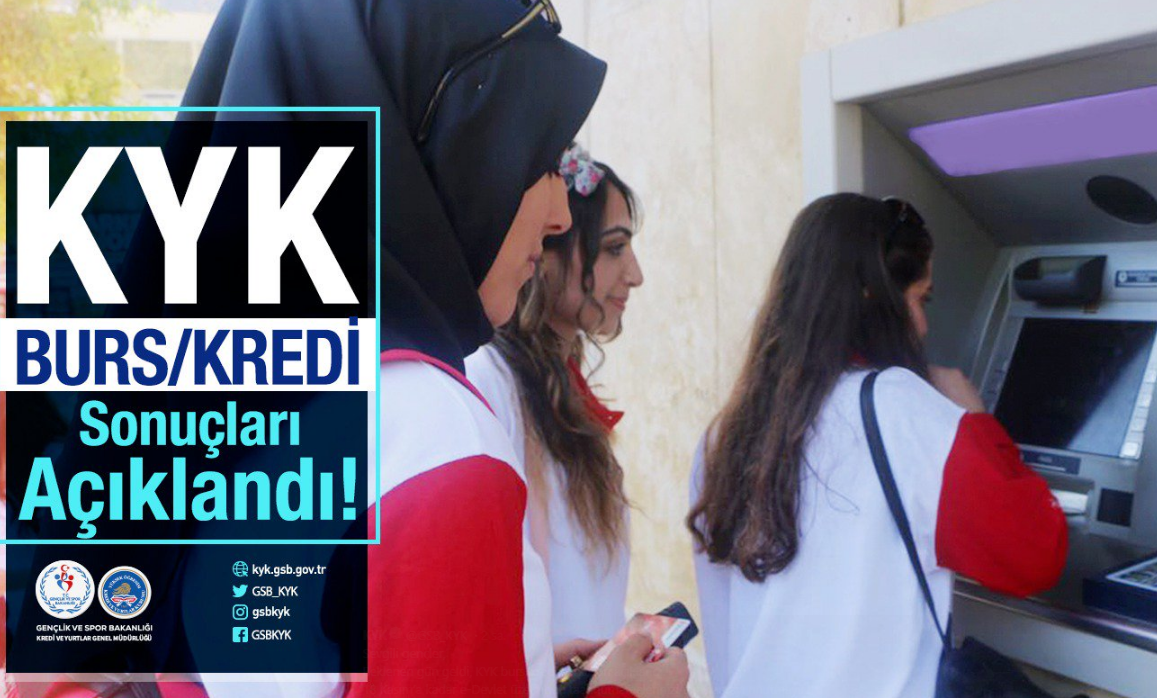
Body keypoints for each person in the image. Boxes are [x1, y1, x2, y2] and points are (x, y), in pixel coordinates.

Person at [687, 193, 1068, 698]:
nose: (924, 326)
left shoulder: (724, 436)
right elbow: (1036, 553)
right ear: (875, 297)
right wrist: (975, 420)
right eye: (921, 299)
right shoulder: (901, 408)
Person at [467, 145, 643, 645]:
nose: (635, 275)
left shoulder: (561, 383)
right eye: (613, 249)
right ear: (545, 253)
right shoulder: (489, 379)